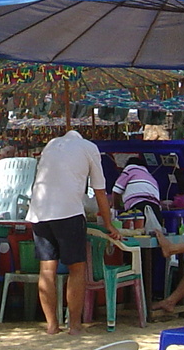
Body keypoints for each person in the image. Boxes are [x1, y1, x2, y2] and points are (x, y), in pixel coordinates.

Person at [27, 130, 116, 336]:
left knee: (47, 270)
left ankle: (52, 326)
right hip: (69, 212)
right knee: (77, 269)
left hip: (39, 211)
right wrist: (109, 224)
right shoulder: (89, 148)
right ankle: (74, 326)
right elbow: (100, 191)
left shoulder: (51, 145)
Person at [111, 156, 164, 233]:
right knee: (155, 235)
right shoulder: (151, 177)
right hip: (155, 208)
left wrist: (116, 208)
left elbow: (116, 190)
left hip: (137, 206)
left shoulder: (130, 169)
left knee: (136, 234)